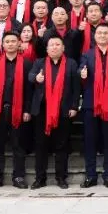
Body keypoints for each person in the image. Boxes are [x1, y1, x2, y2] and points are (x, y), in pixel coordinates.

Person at [28, 35, 80, 188]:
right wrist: (36, 78)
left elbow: (76, 87)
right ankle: (40, 178)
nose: (54, 47)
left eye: (58, 44)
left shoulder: (71, 63)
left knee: (61, 145)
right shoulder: (39, 63)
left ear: (63, 48)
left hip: (63, 110)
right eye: (51, 45)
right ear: (47, 49)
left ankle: (61, 177)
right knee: (40, 145)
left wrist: (74, 106)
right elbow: (30, 76)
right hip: (42, 110)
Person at [0, 30, 32, 189]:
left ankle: (18, 176)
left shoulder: (26, 63)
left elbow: (29, 89)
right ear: (2, 44)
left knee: (18, 145)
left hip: (18, 109)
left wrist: (27, 110)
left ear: (19, 43)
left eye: (13, 41)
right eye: (7, 42)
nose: (10, 44)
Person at [79, 24, 108, 188]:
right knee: (90, 141)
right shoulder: (87, 54)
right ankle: (90, 175)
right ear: (95, 36)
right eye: (99, 33)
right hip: (91, 104)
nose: (103, 35)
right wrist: (82, 74)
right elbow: (81, 70)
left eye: (106, 33)